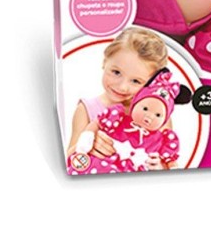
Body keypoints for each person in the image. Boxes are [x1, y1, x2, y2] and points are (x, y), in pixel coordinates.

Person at [66, 27, 168, 161]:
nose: (122, 87)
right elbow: (68, 162)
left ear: (152, 83)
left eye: (136, 81)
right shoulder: (86, 110)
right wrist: (88, 144)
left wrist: (158, 164)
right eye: (116, 72)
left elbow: (167, 160)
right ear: (105, 62)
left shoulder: (157, 114)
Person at [68, 69, 182, 174]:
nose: (149, 117)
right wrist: (87, 137)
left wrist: (163, 168)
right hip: (108, 162)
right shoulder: (118, 117)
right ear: (136, 103)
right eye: (145, 109)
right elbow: (98, 123)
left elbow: (170, 163)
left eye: (158, 115)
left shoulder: (163, 138)